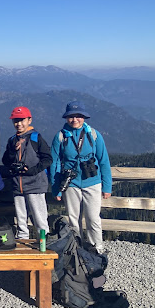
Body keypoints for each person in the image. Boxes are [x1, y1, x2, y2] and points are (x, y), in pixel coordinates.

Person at [50, 100, 112, 253]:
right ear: (66, 118)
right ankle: (76, 250)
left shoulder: (93, 135)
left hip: (93, 182)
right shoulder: (60, 137)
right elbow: (55, 163)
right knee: (73, 220)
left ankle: (96, 250)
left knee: (93, 219)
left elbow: (103, 161)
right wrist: (56, 188)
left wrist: (107, 186)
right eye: (71, 116)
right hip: (70, 183)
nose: (74, 119)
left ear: (84, 117)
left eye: (78, 116)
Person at [2, 106, 52, 239]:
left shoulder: (36, 138)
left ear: (29, 120)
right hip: (18, 185)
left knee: (39, 217)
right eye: (15, 121)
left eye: (21, 120)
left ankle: (43, 240)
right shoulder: (12, 140)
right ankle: (22, 240)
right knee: (21, 218)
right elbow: (6, 160)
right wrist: (13, 151)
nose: (18, 124)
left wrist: (32, 171)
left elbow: (47, 159)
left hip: (35, 184)